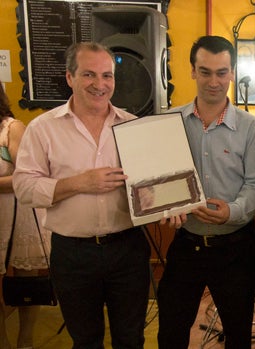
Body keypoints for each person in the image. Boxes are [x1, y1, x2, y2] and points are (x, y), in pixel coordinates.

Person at [12, 42, 158, 348]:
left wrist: (169, 203)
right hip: (73, 253)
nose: (100, 84)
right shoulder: (42, 129)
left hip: (127, 249)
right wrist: (79, 183)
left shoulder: (133, 126)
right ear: (69, 77)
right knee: (85, 340)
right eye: (89, 75)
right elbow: (23, 187)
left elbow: (150, 185)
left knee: (131, 339)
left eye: (107, 76)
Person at [156, 35, 255, 349]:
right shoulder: (168, 122)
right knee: (171, 331)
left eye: (222, 72)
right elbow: (158, 179)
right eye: (205, 71)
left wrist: (231, 211)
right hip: (186, 243)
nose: (214, 81)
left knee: (237, 335)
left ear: (232, 72)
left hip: (235, 248)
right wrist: (163, 206)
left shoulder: (252, 128)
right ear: (192, 71)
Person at [0, 83, 51, 349]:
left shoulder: (11, 127)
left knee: (26, 279)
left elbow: (25, 176)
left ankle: (25, 341)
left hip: (17, 213)